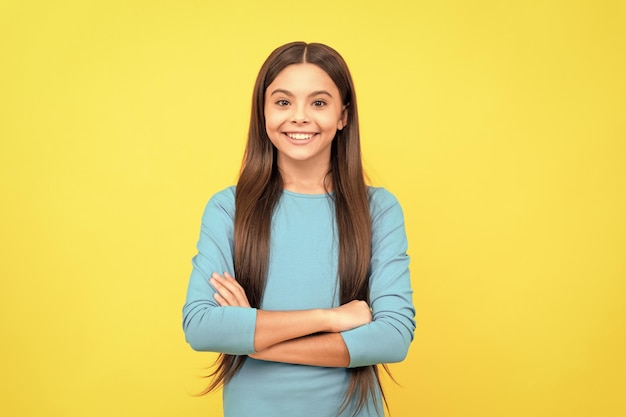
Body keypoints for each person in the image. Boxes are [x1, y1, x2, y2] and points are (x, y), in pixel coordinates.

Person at [182, 41, 415, 417]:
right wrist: (330, 318)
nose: (300, 117)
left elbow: (392, 338)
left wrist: (253, 340)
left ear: (343, 116)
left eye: (319, 103)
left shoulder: (379, 210)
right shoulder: (229, 208)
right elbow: (202, 327)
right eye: (283, 102)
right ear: (263, 112)